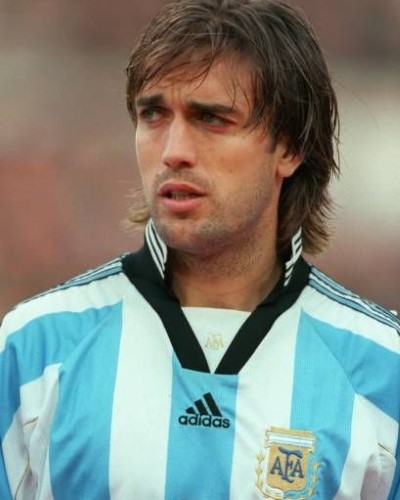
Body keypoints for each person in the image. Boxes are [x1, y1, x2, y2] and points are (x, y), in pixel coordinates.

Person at [1, 0, 399, 498]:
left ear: (290, 147)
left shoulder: (384, 367)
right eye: (153, 115)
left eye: (211, 118)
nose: (173, 151)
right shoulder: (34, 348)